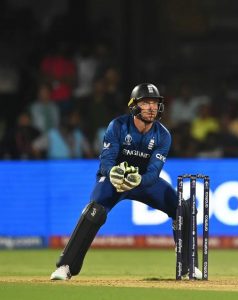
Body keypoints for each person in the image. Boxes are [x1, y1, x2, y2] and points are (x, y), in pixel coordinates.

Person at [50, 83, 201, 280]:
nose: (151, 107)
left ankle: (188, 265)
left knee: (183, 208)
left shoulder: (163, 135)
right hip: (116, 181)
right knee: (94, 212)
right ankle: (66, 266)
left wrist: (138, 180)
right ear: (134, 105)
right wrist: (114, 173)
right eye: (146, 102)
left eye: (154, 103)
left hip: (143, 182)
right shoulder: (118, 126)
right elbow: (106, 161)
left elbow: (154, 173)